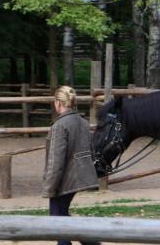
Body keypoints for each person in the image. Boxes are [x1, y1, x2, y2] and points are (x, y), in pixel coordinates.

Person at [43, 86, 100, 245]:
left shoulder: (59, 126)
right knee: (61, 215)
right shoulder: (82, 122)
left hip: (63, 181)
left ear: (58, 103)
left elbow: (56, 161)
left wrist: (50, 187)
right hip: (78, 178)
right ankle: (92, 242)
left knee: (57, 220)